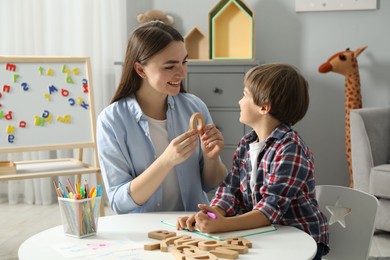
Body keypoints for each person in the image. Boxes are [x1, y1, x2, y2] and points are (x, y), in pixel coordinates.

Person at [177, 63, 330, 259]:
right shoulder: (246, 144)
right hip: (265, 235)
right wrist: (211, 214)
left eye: (244, 95)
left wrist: (224, 225)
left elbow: (270, 209)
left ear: (264, 107)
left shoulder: (290, 148)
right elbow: (231, 192)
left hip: (300, 241)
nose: (239, 101)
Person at [96, 21, 227, 214]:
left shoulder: (195, 107)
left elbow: (212, 184)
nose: (181, 73)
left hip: (192, 226)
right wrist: (167, 161)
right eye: (169, 66)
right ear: (141, 70)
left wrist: (211, 158)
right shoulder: (111, 120)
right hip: (144, 231)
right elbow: (119, 202)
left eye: (184, 62)